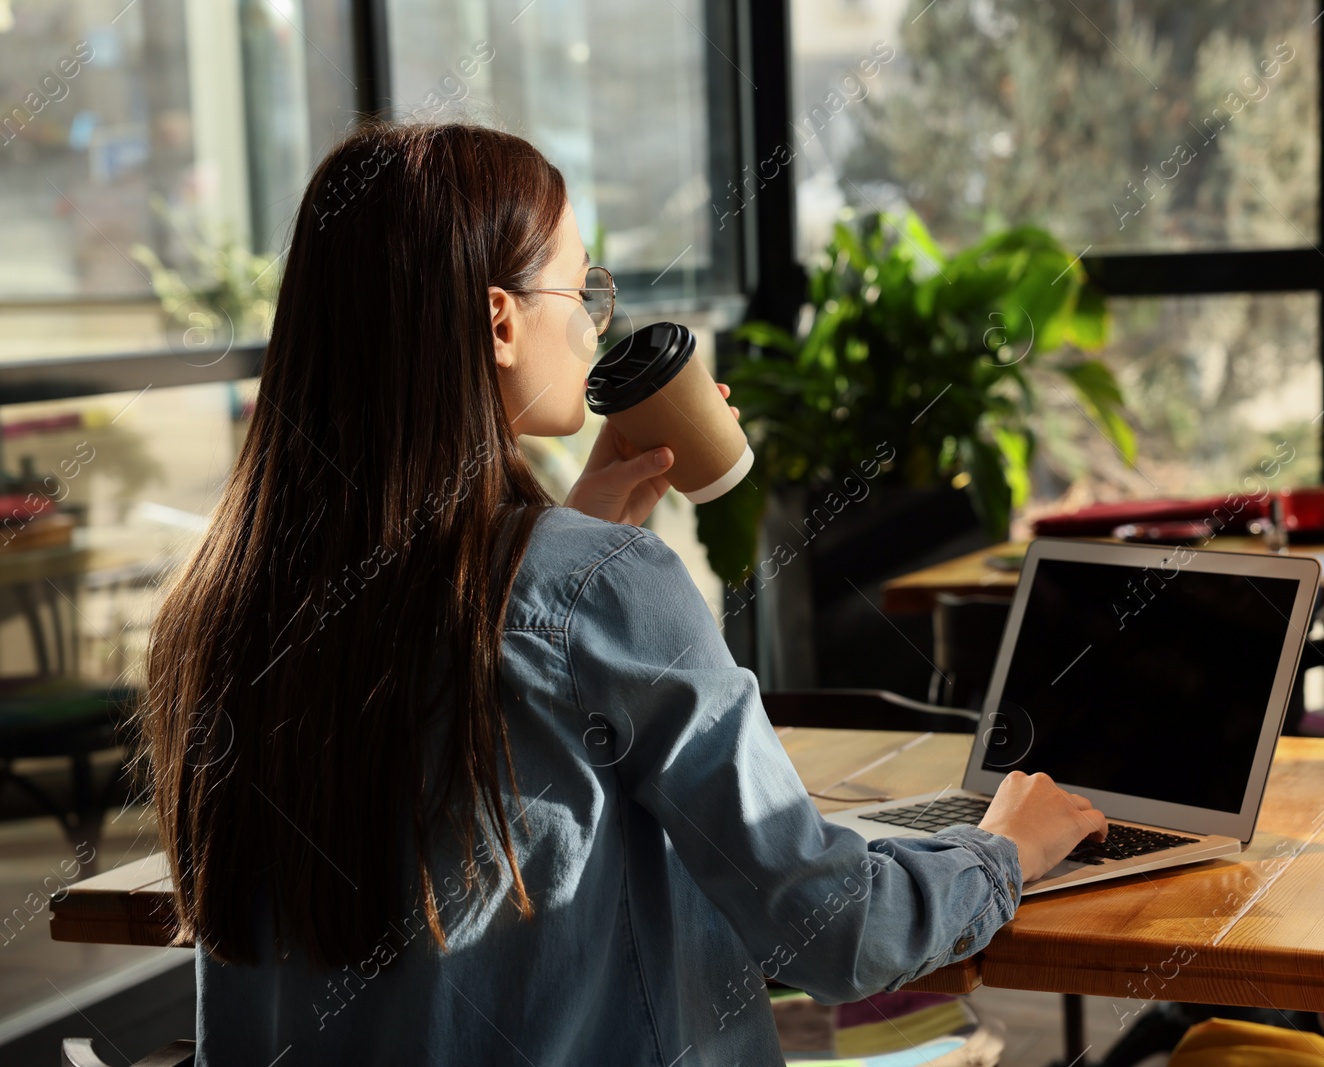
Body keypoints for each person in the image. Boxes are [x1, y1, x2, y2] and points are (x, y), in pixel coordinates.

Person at [140, 122, 1107, 1066]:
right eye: (582, 285)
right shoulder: (595, 589)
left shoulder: (218, 611)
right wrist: (1001, 852)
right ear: (499, 320)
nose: (598, 317)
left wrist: (579, 536)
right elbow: (837, 932)